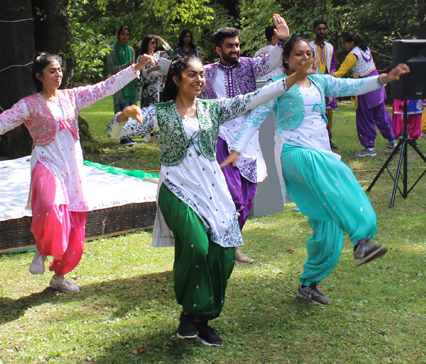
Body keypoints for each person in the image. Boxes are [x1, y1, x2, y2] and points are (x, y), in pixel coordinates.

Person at [106, 55, 314, 345]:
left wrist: (291, 78)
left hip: (212, 189)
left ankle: (200, 318)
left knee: (223, 252)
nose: (199, 80)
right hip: (177, 189)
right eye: (192, 75)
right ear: (177, 79)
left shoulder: (212, 109)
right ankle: (191, 312)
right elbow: (112, 133)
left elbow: (254, 98)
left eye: (202, 74)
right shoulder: (159, 114)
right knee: (196, 245)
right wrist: (122, 117)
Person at [222, 37, 409, 305]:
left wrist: (385, 78)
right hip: (294, 153)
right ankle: (362, 241)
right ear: (286, 59)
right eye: (298, 54)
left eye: (309, 53)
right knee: (340, 171)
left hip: (320, 152)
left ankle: (309, 283)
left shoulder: (321, 81)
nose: (306, 58)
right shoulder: (279, 86)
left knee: (329, 224)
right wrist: (237, 148)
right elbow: (255, 117)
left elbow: (353, 85)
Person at [0, 52, 155, 294]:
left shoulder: (73, 97)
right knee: (50, 206)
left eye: (59, 70)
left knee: (74, 228)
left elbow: (106, 87)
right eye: (52, 71)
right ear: (39, 76)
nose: (58, 74)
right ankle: (41, 248)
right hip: (47, 164)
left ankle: (60, 276)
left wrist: (137, 67)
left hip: (73, 168)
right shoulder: (29, 104)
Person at [202, 14, 290, 264]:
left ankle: (233, 245)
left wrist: (282, 41)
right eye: (229, 46)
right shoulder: (206, 73)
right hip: (219, 134)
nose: (235, 50)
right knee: (231, 193)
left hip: (246, 135)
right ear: (218, 49)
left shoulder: (250, 65)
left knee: (247, 197)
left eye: (237, 45)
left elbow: (274, 61)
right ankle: (220, 242)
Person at [333, 31, 397, 157]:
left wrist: (327, 77)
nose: (343, 46)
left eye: (344, 43)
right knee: (381, 115)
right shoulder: (365, 49)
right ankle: (393, 140)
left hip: (364, 87)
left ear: (351, 43)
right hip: (376, 84)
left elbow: (340, 73)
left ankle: (369, 147)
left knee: (365, 117)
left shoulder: (353, 55)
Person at [309, 19, 338, 150]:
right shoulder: (309, 47)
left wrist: (332, 73)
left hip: (327, 81)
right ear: (314, 31)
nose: (322, 31)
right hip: (314, 81)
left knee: (329, 112)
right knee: (316, 109)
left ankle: (328, 137)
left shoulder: (330, 47)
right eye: (319, 29)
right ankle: (317, 138)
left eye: (324, 29)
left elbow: (333, 63)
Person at [108, 25, 138, 147]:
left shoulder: (130, 50)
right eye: (123, 34)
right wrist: (126, 65)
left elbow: (134, 67)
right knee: (123, 110)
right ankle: (123, 138)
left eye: (127, 34)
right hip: (120, 85)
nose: (125, 36)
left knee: (132, 110)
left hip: (130, 84)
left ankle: (128, 136)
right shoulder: (111, 50)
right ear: (118, 35)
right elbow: (112, 69)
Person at [136, 35, 173, 108]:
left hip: (159, 87)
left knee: (159, 110)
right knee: (148, 112)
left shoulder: (158, 54)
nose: (154, 45)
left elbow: (170, 52)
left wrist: (160, 39)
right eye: (152, 42)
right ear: (146, 43)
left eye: (155, 43)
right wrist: (152, 69)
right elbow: (141, 73)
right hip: (148, 89)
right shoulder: (142, 57)